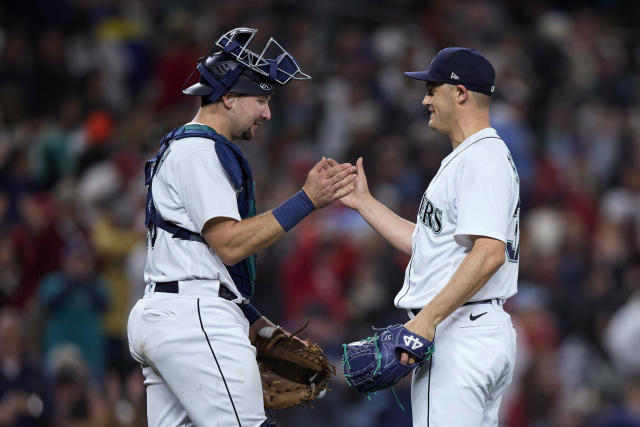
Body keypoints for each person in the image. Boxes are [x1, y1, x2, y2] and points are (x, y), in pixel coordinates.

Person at [127, 28, 355, 427]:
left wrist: (257, 324)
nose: (267, 113)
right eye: (261, 100)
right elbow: (229, 244)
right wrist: (307, 200)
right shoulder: (199, 150)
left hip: (173, 311)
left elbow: (203, 257)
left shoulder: (185, 148)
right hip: (193, 317)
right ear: (228, 98)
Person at [337, 47, 520, 426]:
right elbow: (430, 244)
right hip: (474, 327)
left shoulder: (480, 159)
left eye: (432, 89)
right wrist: (364, 203)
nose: (425, 99)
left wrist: (427, 320)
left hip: (460, 330)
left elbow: (489, 254)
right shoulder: (475, 157)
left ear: (461, 93)